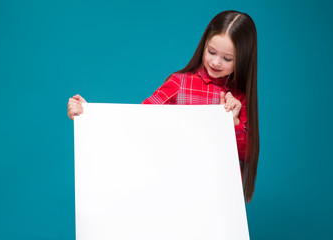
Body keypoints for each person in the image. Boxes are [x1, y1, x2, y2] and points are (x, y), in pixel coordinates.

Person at [68, 10, 259, 203]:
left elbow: (246, 153)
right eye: (211, 52)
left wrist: (232, 122)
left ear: (242, 59)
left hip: (216, 198)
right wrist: (89, 114)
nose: (216, 62)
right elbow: (138, 118)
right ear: (204, 45)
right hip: (173, 192)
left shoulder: (239, 98)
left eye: (227, 59)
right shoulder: (180, 83)